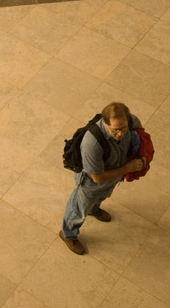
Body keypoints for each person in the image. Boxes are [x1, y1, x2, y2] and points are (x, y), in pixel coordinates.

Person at [61, 102, 145, 255]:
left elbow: (137, 124)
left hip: (113, 177)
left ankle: (94, 209)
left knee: (102, 196)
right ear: (105, 123)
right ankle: (68, 234)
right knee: (78, 210)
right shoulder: (91, 144)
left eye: (124, 128)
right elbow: (97, 178)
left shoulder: (128, 120)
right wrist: (128, 168)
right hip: (90, 184)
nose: (121, 134)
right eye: (116, 130)